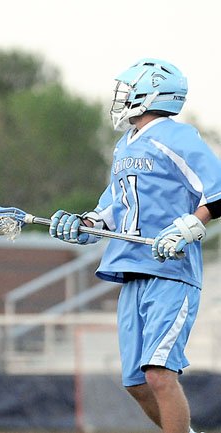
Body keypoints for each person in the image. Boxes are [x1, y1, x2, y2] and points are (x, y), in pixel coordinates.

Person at [48, 58, 221, 433]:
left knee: (160, 374)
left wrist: (191, 224)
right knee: (137, 383)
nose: (123, 97)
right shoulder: (124, 145)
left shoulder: (177, 136)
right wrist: (89, 223)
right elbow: (115, 204)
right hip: (132, 270)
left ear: (152, 92)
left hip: (170, 271)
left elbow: (218, 188)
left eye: (130, 89)